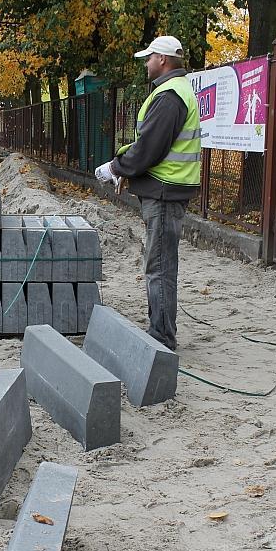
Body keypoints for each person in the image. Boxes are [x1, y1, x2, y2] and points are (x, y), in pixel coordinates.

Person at [95, 35, 201, 351]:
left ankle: (162, 337)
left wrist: (116, 168)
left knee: (160, 265)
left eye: (149, 58)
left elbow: (149, 148)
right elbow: (152, 147)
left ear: (163, 60)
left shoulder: (170, 96)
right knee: (159, 262)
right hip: (165, 188)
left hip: (166, 193)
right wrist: (129, 169)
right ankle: (160, 329)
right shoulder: (175, 91)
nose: (146, 63)